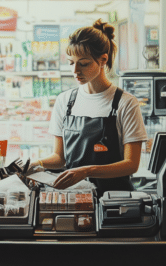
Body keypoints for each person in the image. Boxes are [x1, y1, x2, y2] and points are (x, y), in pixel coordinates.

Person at [27, 19, 148, 197]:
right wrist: (34, 163)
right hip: (75, 198)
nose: (75, 70)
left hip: (114, 200)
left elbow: (131, 164)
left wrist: (86, 171)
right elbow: (59, 158)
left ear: (103, 60)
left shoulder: (125, 103)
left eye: (83, 63)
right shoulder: (65, 101)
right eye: (70, 62)